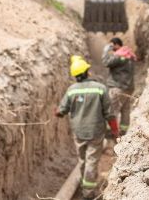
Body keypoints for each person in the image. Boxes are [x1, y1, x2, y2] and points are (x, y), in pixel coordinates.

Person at [56, 56, 119, 200]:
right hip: (96, 131)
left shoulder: (71, 90)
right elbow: (109, 114)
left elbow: (61, 111)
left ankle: (85, 184)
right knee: (91, 160)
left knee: (82, 159)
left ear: (75, 75)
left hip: (78, 132)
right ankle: (88, 192)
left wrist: (58, 111)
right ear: (86, 72)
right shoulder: (100, 88)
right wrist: (115, 131)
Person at [101, 37, 136, 135]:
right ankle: (123, 131)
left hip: (118, 87)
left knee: (112, 110)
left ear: (116, 44)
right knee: (125, 110)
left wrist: (106, 50)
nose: (111, 48)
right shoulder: (129, 55)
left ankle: (111, 132)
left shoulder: (120, 56)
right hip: (129, 88)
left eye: (112, 45)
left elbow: (106, 62)